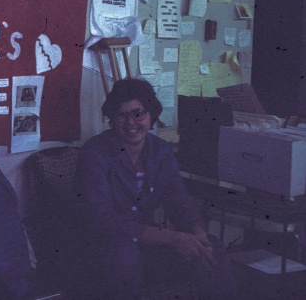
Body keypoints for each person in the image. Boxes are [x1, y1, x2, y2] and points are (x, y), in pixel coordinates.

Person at [72, 78, 236, 299]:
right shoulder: (95, 152)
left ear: (151, 115)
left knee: (211, 248)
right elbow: (103, 220)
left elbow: (178, 200)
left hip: (145, 243)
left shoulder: (160, 151)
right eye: (122, 115)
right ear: (112, 119)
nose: (131, 122)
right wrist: (172, 238)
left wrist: (197, 231)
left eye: (138, 113)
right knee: (124, 255)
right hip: (104, 246)